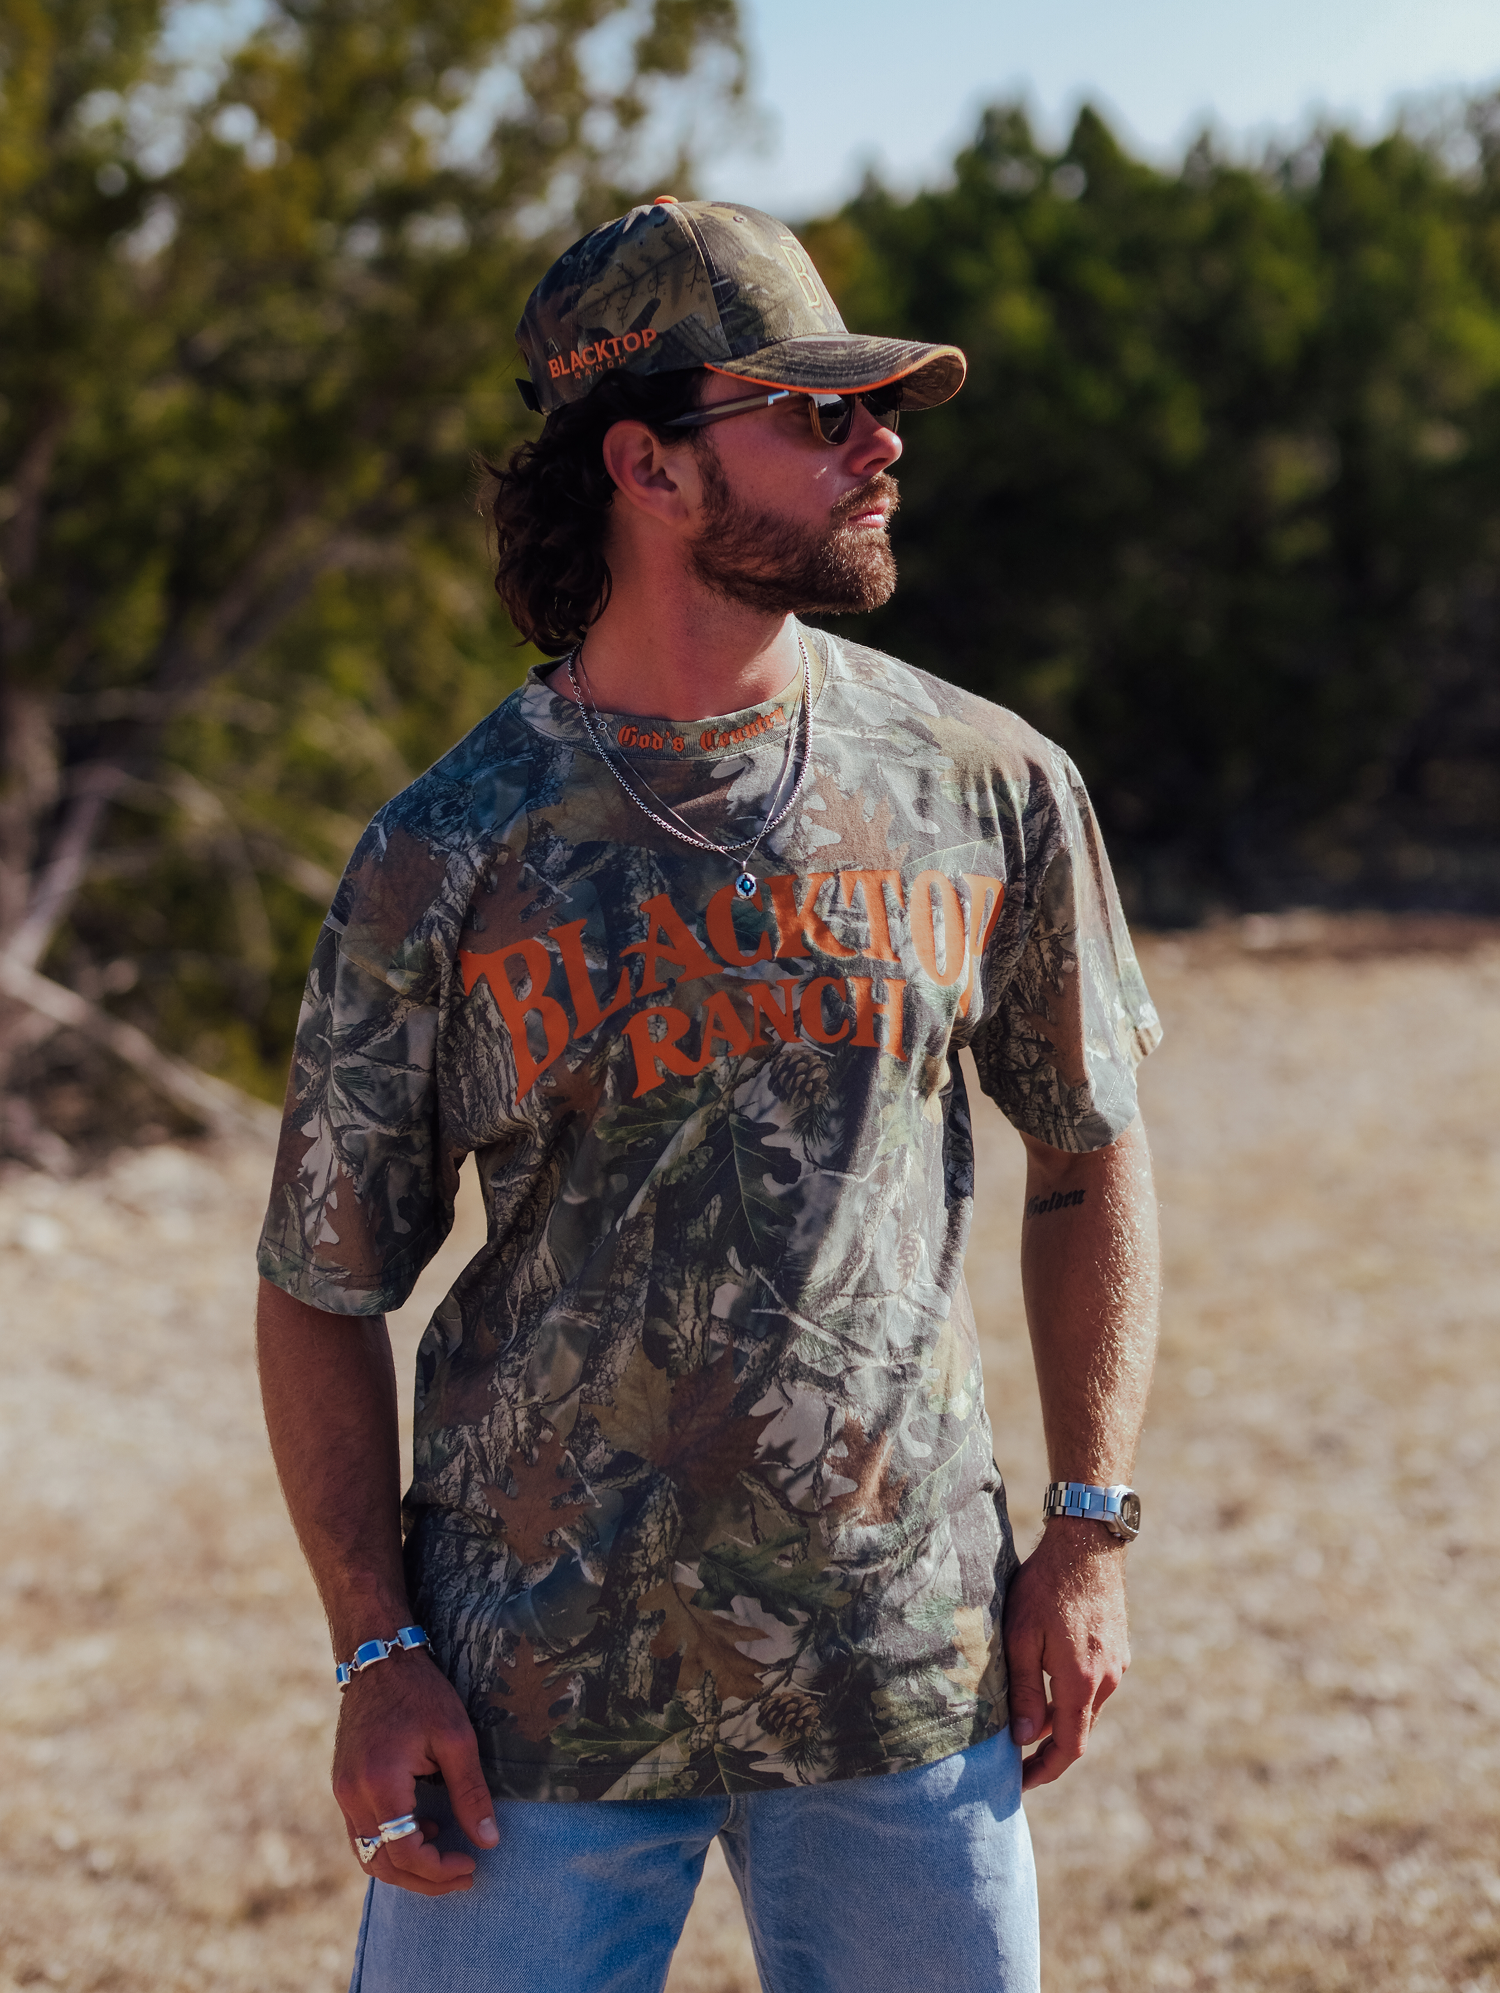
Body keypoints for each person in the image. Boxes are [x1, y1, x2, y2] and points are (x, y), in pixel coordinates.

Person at [255, 196, 1162, 1993]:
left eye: (877, 409)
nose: (879, 441)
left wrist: (1088, 1525)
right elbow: (321, 1283)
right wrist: (375, 1653)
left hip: (903, 1668)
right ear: (649, 466)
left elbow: (1087, 1157)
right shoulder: (445, 852)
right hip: (529, 1708)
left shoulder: (990, 784)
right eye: (818, 413)